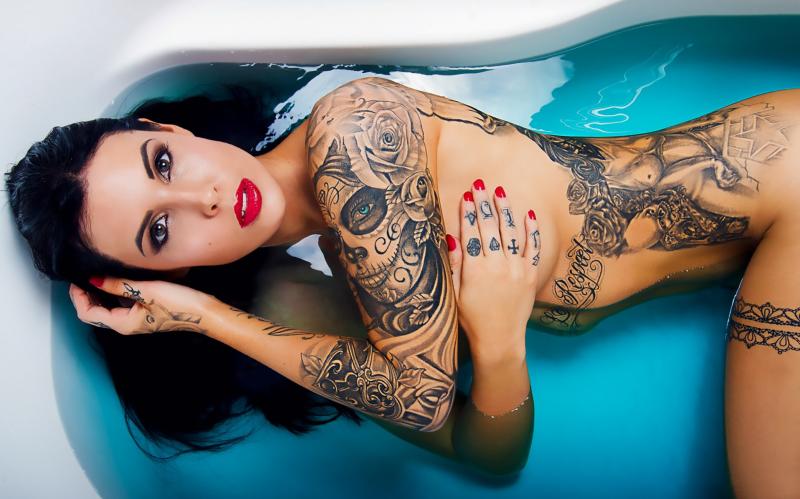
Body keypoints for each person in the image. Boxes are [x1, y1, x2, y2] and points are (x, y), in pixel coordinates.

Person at [6, 76, 800, 493]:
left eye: (164, 163)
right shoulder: (291, 300)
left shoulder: (351, 135)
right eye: (160, 230)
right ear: (165, 275)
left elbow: (420, 398)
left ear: (170, 131)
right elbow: (492, 454)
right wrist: (498, 346)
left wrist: (207, 317)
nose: (204, 197)